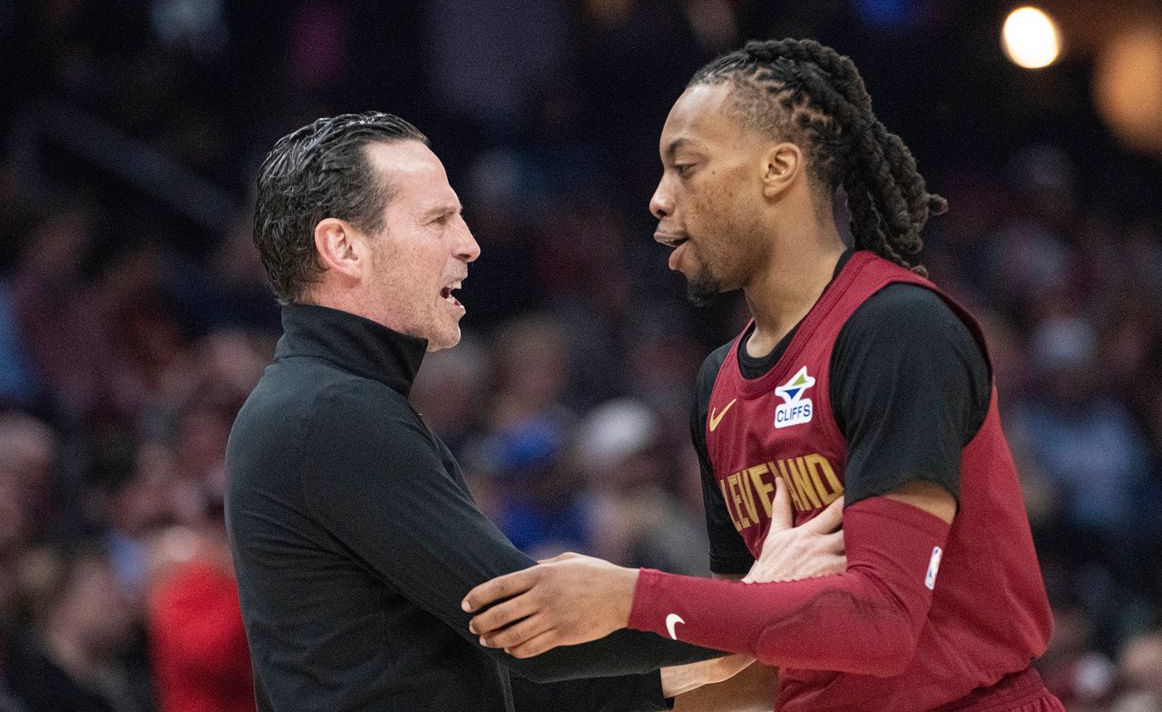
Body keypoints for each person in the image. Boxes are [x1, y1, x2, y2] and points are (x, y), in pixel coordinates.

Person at [463, 39, 1063, 712]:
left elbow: (882, 625)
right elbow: (749, 655)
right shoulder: (716, 384)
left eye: (685, 167)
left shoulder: (896, 330)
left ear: (779, 168)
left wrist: (625, 597)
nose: (659, 200)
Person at [224, 112, 842, 712]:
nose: (468, 245)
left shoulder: (321, 402)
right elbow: (530, 629)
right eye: (438, 219)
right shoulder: (333, 413)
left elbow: (480, 671)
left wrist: (695, 659)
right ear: (343, 247)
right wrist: (752, 605)